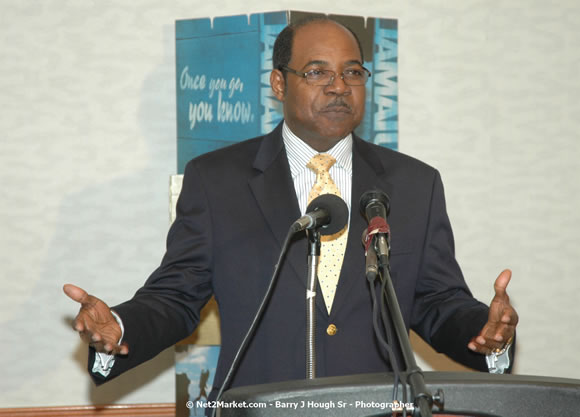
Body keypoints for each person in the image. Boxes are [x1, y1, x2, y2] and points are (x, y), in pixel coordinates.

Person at [64, 17, 518, 399]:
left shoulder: (414, 184)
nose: (339, 87)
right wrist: (120, 328)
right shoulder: (217, 181)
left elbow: (436, 302)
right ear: (279, 83)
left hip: (379, 407)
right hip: (259, 406)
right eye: (317, 72)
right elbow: (176, 297)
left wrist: (486, 332)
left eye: (353, 72)